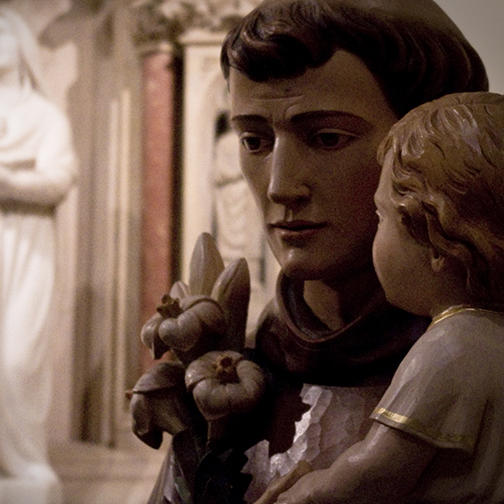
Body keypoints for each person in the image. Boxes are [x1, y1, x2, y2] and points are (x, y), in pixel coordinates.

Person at [132, 1, 489, 503]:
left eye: (326, 138)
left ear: (427, 147)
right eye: (255, 141)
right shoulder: (235, 376)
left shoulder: (481, 367)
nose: (280, 187)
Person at [258, 91, 504, 503]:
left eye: (381, 215)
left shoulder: (450, 349)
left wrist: (308, 492)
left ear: (438, 238)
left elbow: (372, 474)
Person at [0, 6, 77, 504]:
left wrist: (7, 181)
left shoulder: (44, 115)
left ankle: (23, 460)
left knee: (15, 360)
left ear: (22, 47)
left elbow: (59, 177)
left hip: (25, 246)